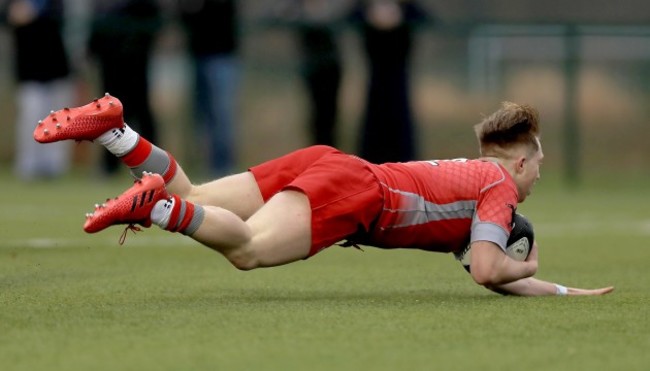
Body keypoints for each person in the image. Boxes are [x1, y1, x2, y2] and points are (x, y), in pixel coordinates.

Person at [33, 94, 614, 297]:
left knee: (199, 193)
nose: (536, 178)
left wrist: (562, 288)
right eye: (537, 166)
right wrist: (526, 264)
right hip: (357, 193)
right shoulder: (498, 187)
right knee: (249, 250)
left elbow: (485, 265)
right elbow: (489, 271)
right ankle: (156, 207)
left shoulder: (477, 179)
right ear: (518, 161)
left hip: (334, 164)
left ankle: (113, 130)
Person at [87, 0, 162, 176]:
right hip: (110, 62)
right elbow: (98, 23)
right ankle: (109, 164)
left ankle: (151, 163)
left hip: (135, 61)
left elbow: (152, 21)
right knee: (110, 114)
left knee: (141, 112)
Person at [350, 0, 429, 164]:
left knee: (400, 122)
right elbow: (349, 17)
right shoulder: (364, 7)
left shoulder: (408, 8)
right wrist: (370, 16)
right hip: (376, 77)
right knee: (373, 123)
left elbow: (425, 18)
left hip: (399, 77)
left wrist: (399, 17)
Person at [3, 0, 74, 180]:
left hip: (56, 66)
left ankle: (54, 166)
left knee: (58, 119)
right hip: (28, 68)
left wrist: (35, 12)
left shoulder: (53, 5)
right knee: (30, 116)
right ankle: (28, 165)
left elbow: (63, 16)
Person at [177, 0, 240, 178]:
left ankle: (224, 166)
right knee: (199, 115)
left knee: (221, 113)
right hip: (196, 53)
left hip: (222, 55)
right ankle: (201, 163)